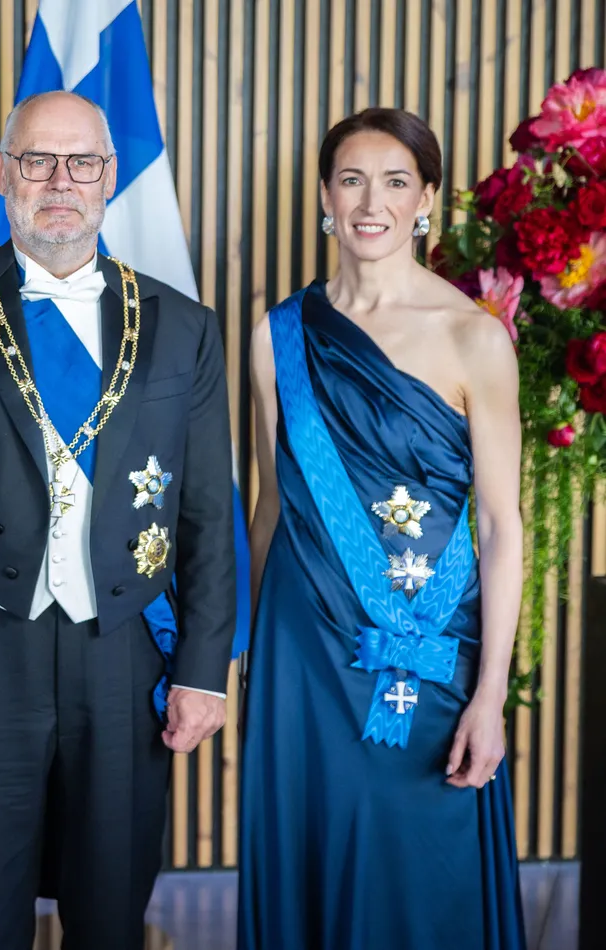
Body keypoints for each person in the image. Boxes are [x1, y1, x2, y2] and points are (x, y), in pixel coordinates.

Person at [0, 90, 237, 950]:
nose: (59, 181)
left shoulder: (184, 329)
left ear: (111, 177)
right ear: (3, 176)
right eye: (37, 160)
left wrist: (204, 670)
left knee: (111, 902)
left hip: (126, 649)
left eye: (81, 163)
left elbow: (208, 517)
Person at [239, 107, 526, 948]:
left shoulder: (476, 337)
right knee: (311, 858)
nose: (373, 201)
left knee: (426, 869)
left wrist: (492, 692)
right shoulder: (277, 337)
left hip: (435, 652)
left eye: (396, 181)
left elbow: (504, 529)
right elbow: (269, 507)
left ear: (426, 198)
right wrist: (244, 664)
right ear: (326, 197)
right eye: (352, 180)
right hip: (301, 655)